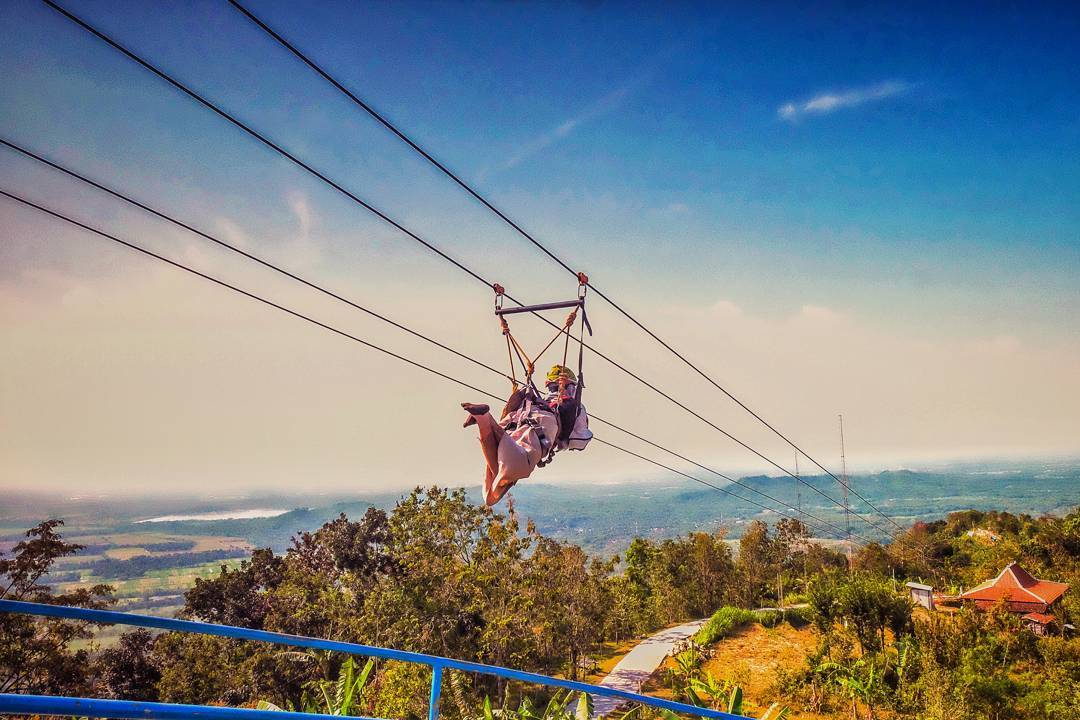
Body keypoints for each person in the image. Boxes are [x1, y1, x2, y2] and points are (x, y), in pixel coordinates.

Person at [463, 365, 591, 506]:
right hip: (533, 436)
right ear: (571, 387)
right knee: (511, 469)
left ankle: (483, 420)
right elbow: (580, 441)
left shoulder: (538, 403)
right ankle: (484, 419)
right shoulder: (569, 406)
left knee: (490, 493)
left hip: (514, 424)